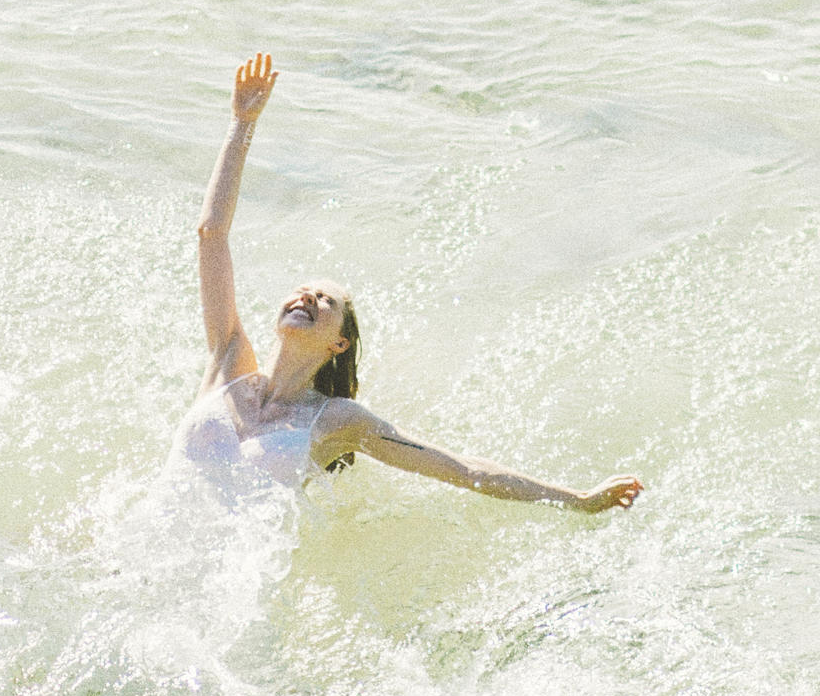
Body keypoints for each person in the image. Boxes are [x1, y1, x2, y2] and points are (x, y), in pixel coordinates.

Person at [178, 52, 645, 514]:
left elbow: (463, 470)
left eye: (326, 300)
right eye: (304, 290)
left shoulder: (336, 420)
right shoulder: (229, 365)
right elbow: (211, 234)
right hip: (139, 561)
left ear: (339, 344)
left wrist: (578, 500)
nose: (308, 297)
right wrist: (243, 123)